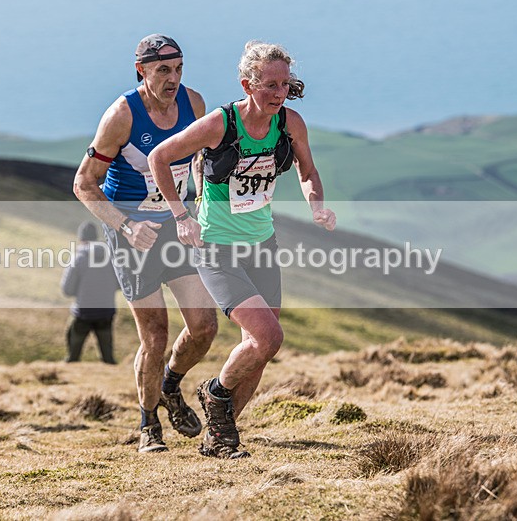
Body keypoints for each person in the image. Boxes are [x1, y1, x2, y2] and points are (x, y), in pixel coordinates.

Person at [148, 41, 337, 458]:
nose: (278, 92)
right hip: (217, 248)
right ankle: (215, 394)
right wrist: (181, 216)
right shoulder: (221, 123)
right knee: (267, 336)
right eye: (269, 84)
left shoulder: (290, 123)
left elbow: (308, 170)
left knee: (261, 350)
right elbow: (160, 157)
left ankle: (219, 437)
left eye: (284, 84)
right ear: (246, 84)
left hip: (262, 245)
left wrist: (316, 204)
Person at [73, 34, 218, 453]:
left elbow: (198, 164)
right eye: (162, 71)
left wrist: (200, 209)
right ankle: (148, 424)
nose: (173, 79)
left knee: (204, 328)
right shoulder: (121, 116)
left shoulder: (194, 104)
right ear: (141, 71)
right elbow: (84, 183)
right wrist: (125, 226)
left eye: (178, 69)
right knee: (155, 336)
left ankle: (171, 385)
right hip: (132, 233)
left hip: (176, 226)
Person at [61, 221, 119, 364]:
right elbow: (120, 283)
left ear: (81, 239)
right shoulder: (111, 257)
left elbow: (67, 289)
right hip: (106, 312)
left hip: (83, 312)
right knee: (108, 358)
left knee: (73, 356)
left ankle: (71, 370)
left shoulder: (79, 258)